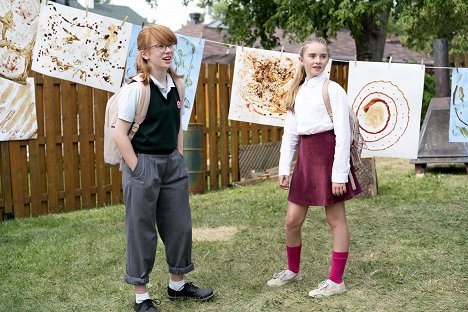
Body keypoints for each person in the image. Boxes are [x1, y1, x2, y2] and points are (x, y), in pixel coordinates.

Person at [113, 24, 214, 312]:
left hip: (171, 162)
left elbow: (177, 125)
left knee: (179, 225)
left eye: (170, 45)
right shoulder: (136, 89)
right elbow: (119, 134)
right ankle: (141, 297)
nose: (168, 50)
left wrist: (178, 157)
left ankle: (177, 285)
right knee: (141, 229)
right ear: (145, 54)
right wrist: (137, 168)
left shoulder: (178, 85)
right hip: (143, 162)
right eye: (161, 46)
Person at [266, 37, 362, 298]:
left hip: (329, 157)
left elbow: (344, 135)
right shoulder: (296, 91)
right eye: (312, 56)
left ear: (327, 59)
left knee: (335, 219)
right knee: (292, 220)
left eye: (322, 56)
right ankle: (293, 270)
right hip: (306, 160)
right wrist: (284, 167)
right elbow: (290, 136)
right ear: (302, 60)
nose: (318, 60)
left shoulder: (333, 90)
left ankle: (336, 280)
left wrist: (339, 174)